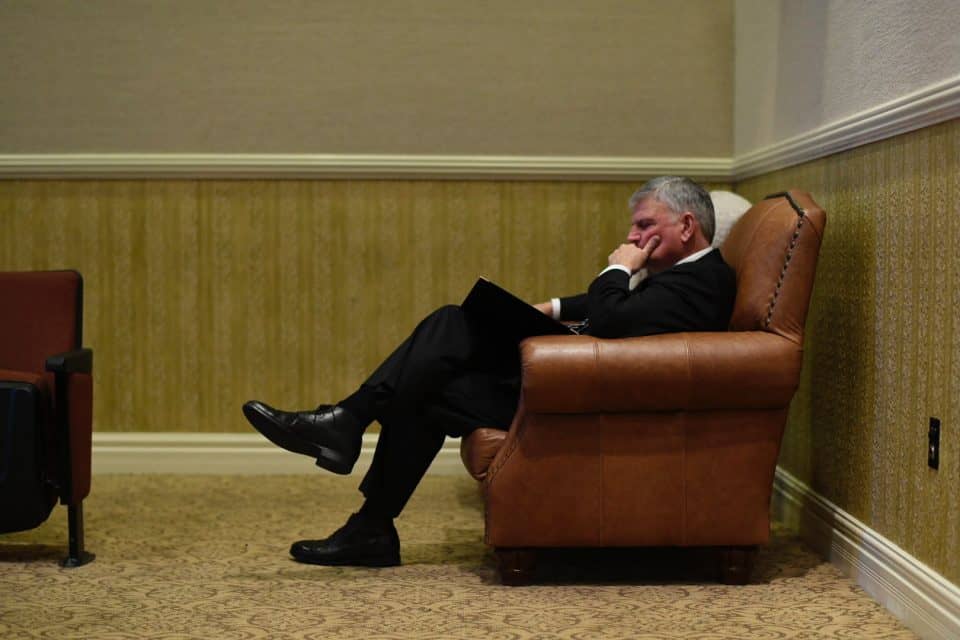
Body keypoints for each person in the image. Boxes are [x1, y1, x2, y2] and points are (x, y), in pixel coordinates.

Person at [242, 176, 736, 567]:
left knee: (446, 334)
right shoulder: (680, 278)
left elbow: (612, 317)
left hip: (584, 396)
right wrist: (550, 307)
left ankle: (348, 435)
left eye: (644, 225)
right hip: (573, 381)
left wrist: (619, 268)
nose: (632, 237)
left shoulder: (702, 281)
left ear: (687, 225)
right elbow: (620, 312)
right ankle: (365, 503)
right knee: (441, 351)